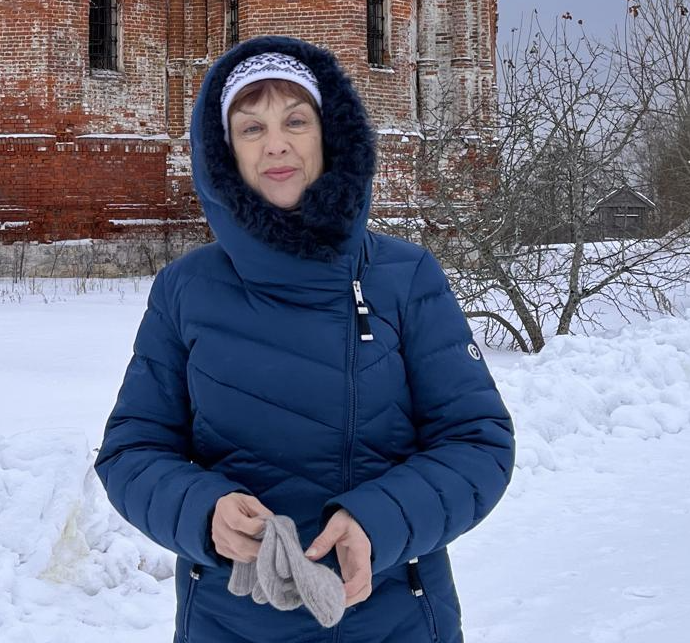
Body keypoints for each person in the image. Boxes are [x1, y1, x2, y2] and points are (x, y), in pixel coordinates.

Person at [95, 35, 515, 642]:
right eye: (250, 128)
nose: (276, 144)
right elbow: (132, 452)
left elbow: (477, 442)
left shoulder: (404, 276)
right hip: (231, 622)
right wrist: (204, 512)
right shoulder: (186, 290)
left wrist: (378, 521)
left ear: (330, 134)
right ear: (223, 153)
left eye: (296, 119)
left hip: (392, 618)